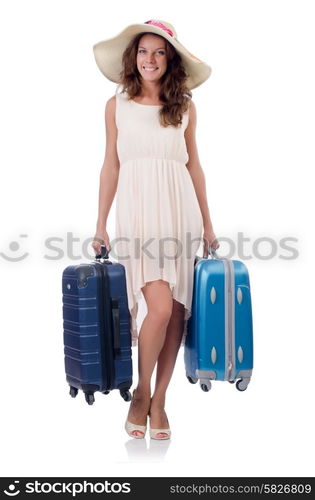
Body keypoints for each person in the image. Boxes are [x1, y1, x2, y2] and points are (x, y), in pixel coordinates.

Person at [91, 19, 220, 440]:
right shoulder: (117, 105)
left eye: (160, 52)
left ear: (170, 60)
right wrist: (100, 224)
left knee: (177, 311)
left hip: (180, 211)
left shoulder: (184, 105)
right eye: (144, 51)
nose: (151, 59)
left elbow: (194, 167)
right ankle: (141, 393)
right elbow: (111, 166)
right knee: (159, 306)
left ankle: (161, 400)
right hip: (139, 214)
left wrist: (208, 224)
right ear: (134, 58)